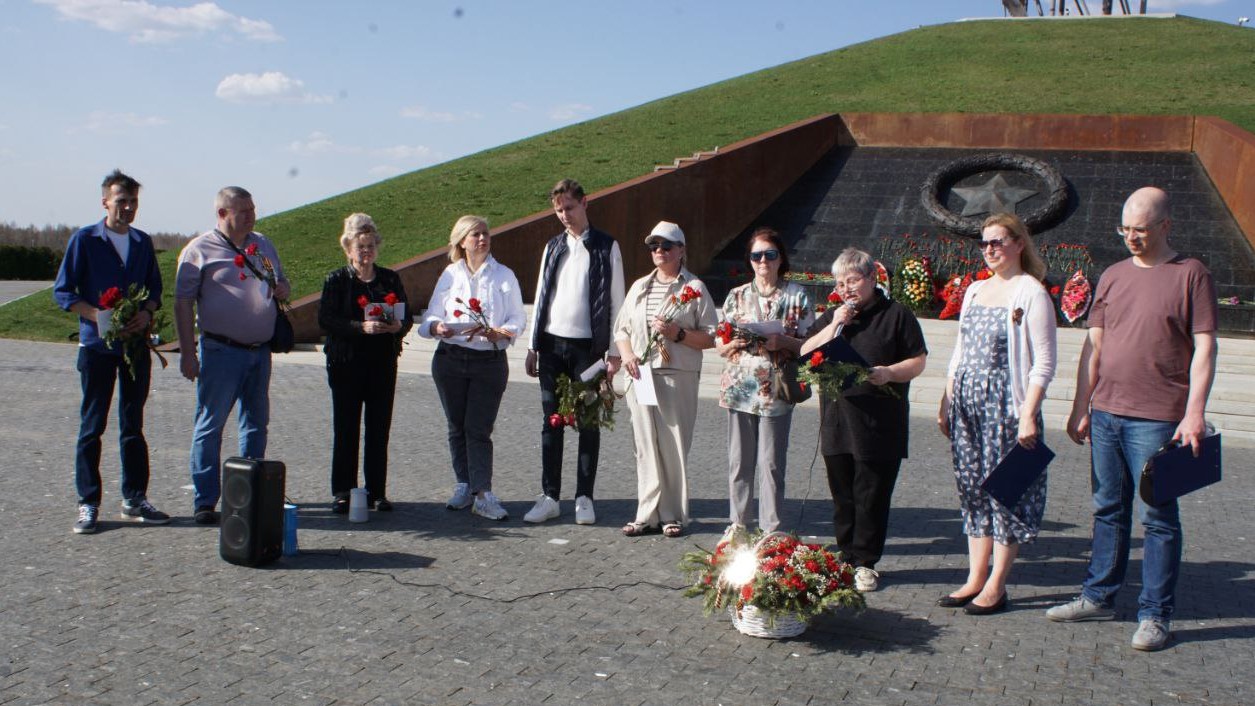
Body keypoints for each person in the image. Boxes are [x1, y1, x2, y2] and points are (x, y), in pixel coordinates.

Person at [1047, 187, 1217, 652]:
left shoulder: (1191, 274)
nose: (1131, 238)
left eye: (1140, 230)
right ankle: (1098, 595)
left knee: (1158, 517)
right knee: (1107, 508)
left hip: (1159, 418)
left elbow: (1205, 346)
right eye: (1125, 229)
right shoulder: (1114, 275)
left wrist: (1195, 411)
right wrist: (1082, 404)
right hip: (1106, 412)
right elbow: (1094, 345)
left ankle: (1155, 614)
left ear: (1166, 225)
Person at [937, 212, 1056, 615]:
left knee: (1006, 490)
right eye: (984, 243)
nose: (989, 249)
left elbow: (1044, 362)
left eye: (998, 242)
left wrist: (1028, 414)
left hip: (1007, 404)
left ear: (1019, 244)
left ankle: (997, 585)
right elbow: (959, 352)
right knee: (971, 487)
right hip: (968, 402)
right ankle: (974, 577)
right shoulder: (973, 290)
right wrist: (947, 398)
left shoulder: (1031, 293)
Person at [800, 247, 928, 592]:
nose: (846, 288)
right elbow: (804, 352)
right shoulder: (835, 315)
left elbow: (918, 361)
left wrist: (889, 372)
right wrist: (837, 323)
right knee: (842, 495)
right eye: (840, 282)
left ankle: (866, 562)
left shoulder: (897, 314)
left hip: (878, 423)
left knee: (871, 495)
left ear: (872, 278)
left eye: (853, 280)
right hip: (838, 421)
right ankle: (845, 557)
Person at [53, 169, 169, 533]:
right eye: (122, 201)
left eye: (134, 201)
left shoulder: (142, 241)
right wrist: (97, 315)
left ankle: (135, 498)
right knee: (92, 426)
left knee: (133, 424)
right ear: (106, 201)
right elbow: (64, 291)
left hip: (134, 348)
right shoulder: (85, 240)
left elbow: (154, 289)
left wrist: (146, 312)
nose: (128, 208)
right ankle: (88, 502)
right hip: (98, 347)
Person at [174, 186, 291, 525]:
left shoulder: (263, 244)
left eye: (253, 209)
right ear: (223, 214)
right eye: (244, 211)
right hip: (220, 351)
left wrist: (283, 287)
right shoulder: (198, 251)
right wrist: (187, 353)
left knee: (256, 424)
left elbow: (280, 280)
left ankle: (249, 491)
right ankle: (206, 500)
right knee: (210, 424)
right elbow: (182, 302)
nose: (252, 216)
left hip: (259, 351)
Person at [523, 179, 625, 525]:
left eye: (569, 207)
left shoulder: (606, 246)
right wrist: (533, 346)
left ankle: (584, 497)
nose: (564, 215)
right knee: (551, 421)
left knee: (588, 422)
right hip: (552, 345)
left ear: (585, 204)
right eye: (559, 210)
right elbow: (541, 296)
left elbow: (616, 300)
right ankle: (550, 496)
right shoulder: (552, 247)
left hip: (588, 349)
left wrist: (613, 352)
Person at [614, 221, 717, 537]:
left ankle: (672, 514)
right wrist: (628, 355)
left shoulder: (694, 288)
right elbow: (622, 329)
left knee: (672, 444)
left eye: (666, 245)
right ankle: (646, 513)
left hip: (676, 375)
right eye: (654, 246)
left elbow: (712, 336)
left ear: (681, 250)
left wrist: (680, 334)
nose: (659, 251)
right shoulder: (639, 286)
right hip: (642, 374)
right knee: (646, 443)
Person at [420, 215, 526, 520]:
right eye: (476, 235)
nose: (482, 239)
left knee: (478, 428)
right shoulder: (450, 275)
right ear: (462, 241)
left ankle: (483, 493)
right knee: (456, 426)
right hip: (450, 359)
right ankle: (464, 484)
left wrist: (500, 332)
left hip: (488, 360)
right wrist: (437, 327)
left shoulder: (504, 275)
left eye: (486, 234)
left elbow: (518, 319)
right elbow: (429, 318)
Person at [715, 227, 813, 538]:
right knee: (739, 461)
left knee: (771, 464)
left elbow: (811, 344)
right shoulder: (737, 296)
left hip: (776, 389)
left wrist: (783, 340)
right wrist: (733, 344)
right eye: (757, 256)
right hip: (740, 386)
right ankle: (739, 524)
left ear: (780, 258)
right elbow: (719, 342)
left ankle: (772, 530)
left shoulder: (796, 295)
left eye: (769, 255)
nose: (763, 261)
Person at [318, 213, 412, 514]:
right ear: (348, 248)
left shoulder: (389, 278)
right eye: (361, 247)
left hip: (381, 362)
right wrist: (360, 327)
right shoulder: (336, 280)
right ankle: (343, 490)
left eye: (371, 246)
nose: (366, 252)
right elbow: (326, 319)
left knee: (378, 428)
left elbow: (406, 314)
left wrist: (399, 326)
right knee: (346, 427)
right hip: (346, 363)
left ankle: (377, 490)